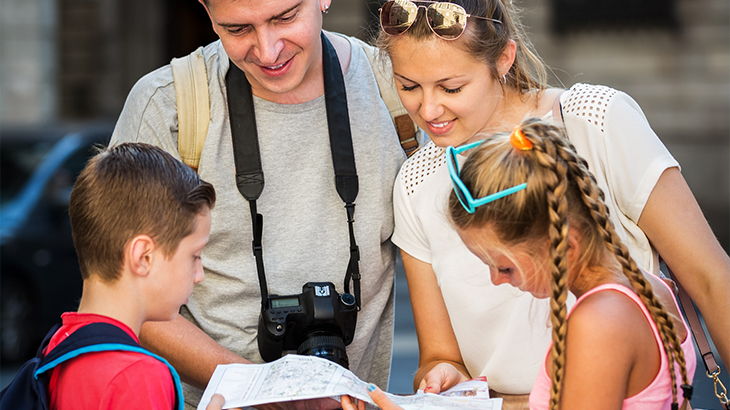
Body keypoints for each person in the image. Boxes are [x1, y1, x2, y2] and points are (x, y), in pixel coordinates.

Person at [376, 0, 730, 405]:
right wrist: (440, 375)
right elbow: (441, 356)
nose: (429, 110)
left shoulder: (593, 119)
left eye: (451, 87)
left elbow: (711, 279)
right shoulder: (416, 181)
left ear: (503, 58)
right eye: (407, 86)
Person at [110, 0, 406, 408]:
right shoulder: (167, 105)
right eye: (237, 29)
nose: (267, 52)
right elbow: (123, 297)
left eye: (284, 18)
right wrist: (265, 391)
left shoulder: (401, 88)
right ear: (206, 12)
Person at [344, 119, 699, 409]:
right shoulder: (650, 287)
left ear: (564, 245)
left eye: (505, 267)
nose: (496, 280)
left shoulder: (599, 324)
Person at [47, 142, 216, 409]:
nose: (199, 275)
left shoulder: (61, 345)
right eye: (194, 256)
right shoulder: (138, 376)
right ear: (143, 257)